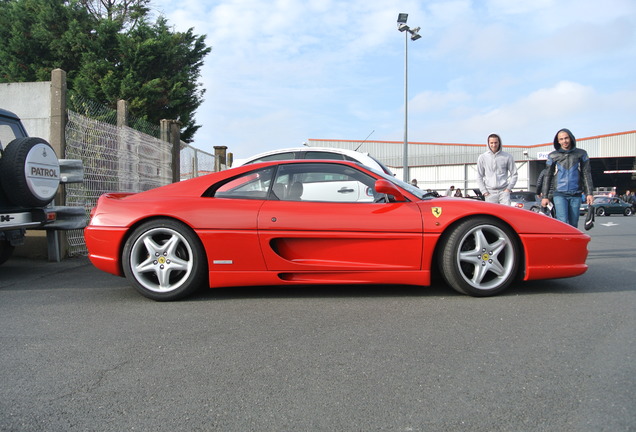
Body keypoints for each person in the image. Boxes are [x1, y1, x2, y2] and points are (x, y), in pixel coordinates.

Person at [541, 128, 593, 228]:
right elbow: (547, 176)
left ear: (571, 138)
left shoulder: (581, 154)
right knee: (562, 222)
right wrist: (545, 197)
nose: (564, 141)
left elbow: (586, 174)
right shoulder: (553, 156)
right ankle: (563, 243)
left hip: (576, 194)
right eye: (561, 139)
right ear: (558, 141)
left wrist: (589, 193)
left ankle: (572, 243)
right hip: (559, 194)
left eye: (566, 138)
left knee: (573, 223)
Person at [476, 133, 518, 205]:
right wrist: (484, 192)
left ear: (499, 143)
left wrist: (508, 189)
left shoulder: (507, 157)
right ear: (488, 143)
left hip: (504, 192)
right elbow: (479, 176)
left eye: (496, 142)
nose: (494, 145)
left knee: (506, 214)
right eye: (491, 143)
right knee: (491, 215)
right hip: (490, 193)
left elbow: (514, 174)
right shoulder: (482, 157)